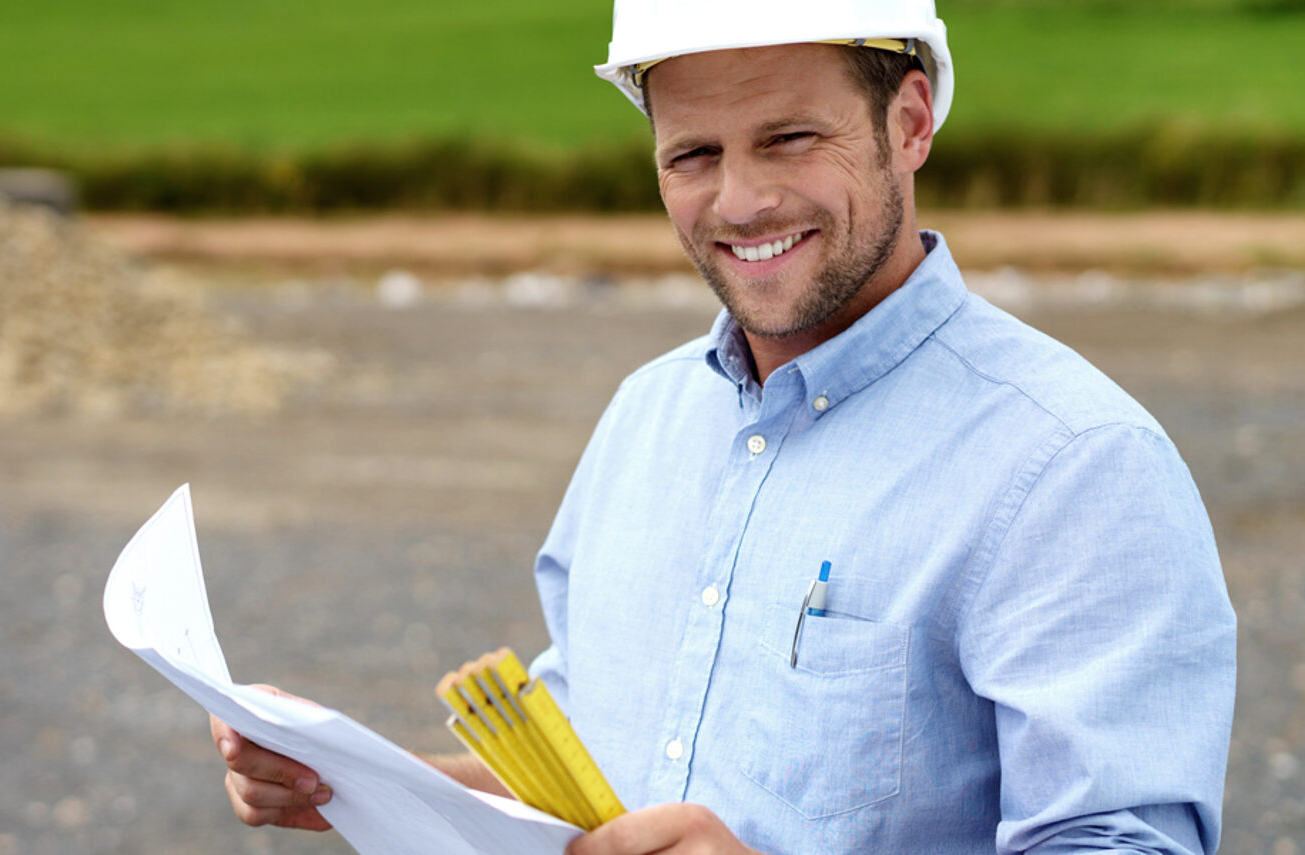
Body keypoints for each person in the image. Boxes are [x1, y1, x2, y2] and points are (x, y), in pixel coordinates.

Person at [211, 1, 1237, 852]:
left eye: (789, 138)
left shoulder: (1072, 463)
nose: (739, 201)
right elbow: (609, 758)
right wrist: (366, 782)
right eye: (691, 154)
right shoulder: (646, 416)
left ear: (911, 121)